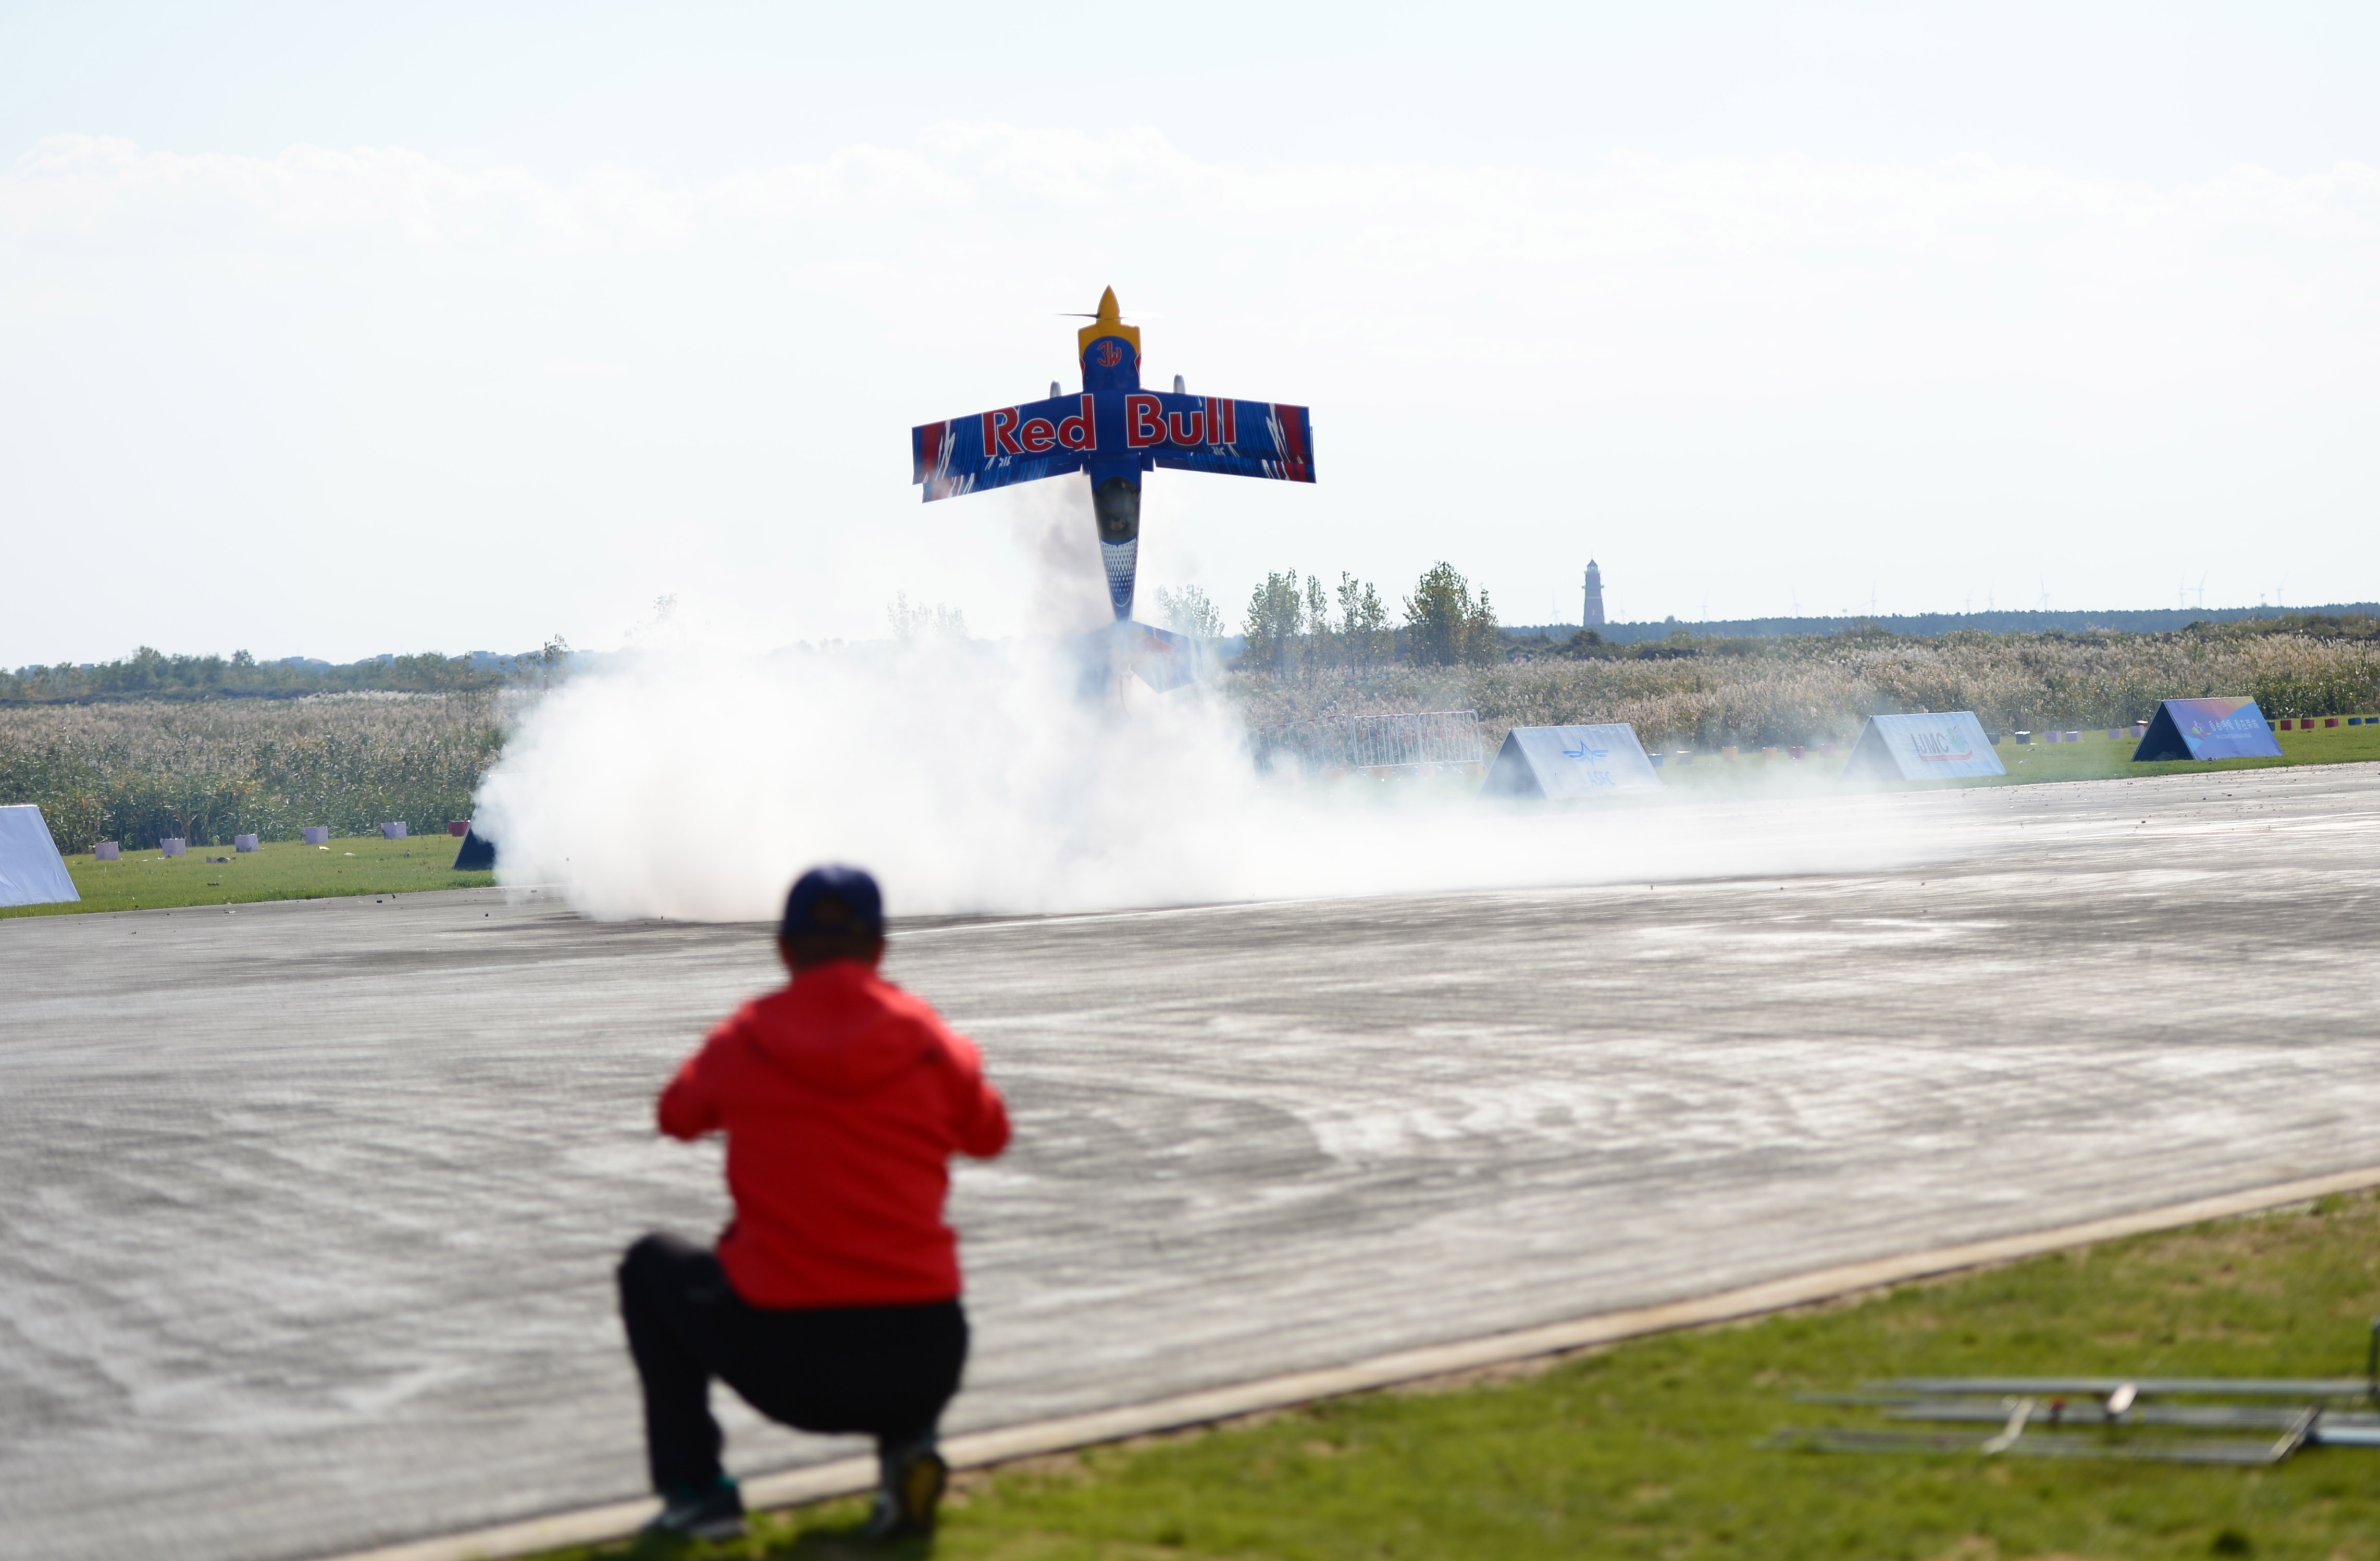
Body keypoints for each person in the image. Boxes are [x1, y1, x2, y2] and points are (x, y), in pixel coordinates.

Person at [617, 865, 1010, 1542]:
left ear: (785, 948)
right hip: (925, 1354)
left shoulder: (747, 1037)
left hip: (789, 1361)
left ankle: (697, 1492)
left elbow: (676, 1115)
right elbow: (991, 1134)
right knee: (898, 1272)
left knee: (650, 1266)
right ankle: (905, 1451)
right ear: (880, 948)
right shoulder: (927, 1039)